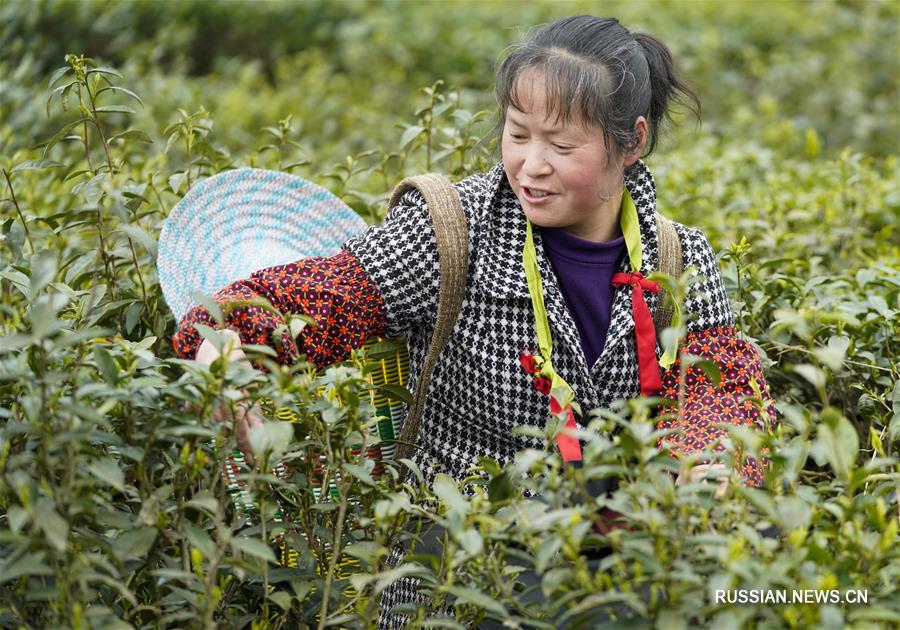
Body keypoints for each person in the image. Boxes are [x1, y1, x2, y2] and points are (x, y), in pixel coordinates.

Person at [173, 15, 775, 627]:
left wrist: (713, 460)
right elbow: (314, 297)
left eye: (562, 146)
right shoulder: (454, 233)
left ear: (632, 142)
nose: (531, 165)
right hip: (464, 572)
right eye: (518, 134)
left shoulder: (677, 256)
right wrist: (222, 341)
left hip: (625, 572)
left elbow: (720, 384)